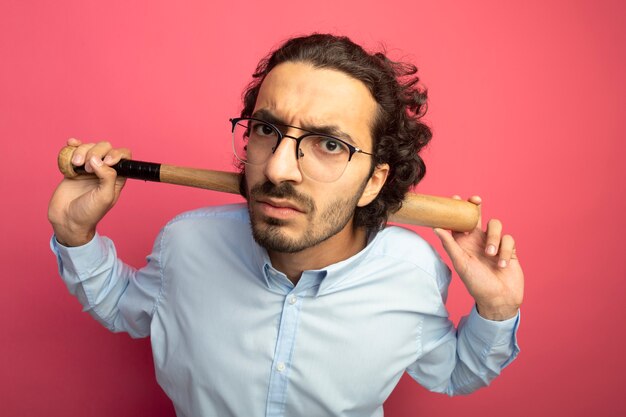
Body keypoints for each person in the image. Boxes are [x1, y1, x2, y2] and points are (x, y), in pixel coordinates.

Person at [48, 34, 523, 417]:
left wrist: (497, 308)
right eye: (266, 130)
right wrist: (75, 235)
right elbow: (122, 305)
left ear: (375, 181)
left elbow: (456, 372)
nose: (277, 170)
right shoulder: (188, 243)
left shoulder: (410, 271)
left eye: (329, 145)